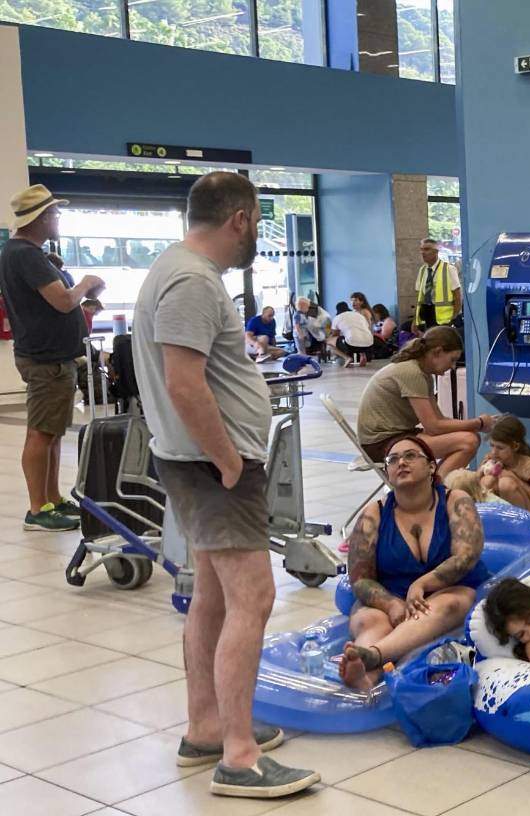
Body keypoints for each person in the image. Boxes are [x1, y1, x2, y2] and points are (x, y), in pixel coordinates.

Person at [131, 172, 318, 798]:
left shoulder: (178, 271)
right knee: (254, 600)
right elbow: (184, 383)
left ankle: (207, 726)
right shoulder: (190, 280)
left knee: (211, 596)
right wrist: (229, 460)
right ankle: (238, 757)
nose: (256, 233)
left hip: (199, 465)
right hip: (213, 468)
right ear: (238, 217)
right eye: (258, 219)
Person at [339, 435, 488, 690]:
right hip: (391, 594)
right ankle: (361, 670)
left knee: (447, 605)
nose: (401, 463)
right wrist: (391, 603)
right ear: (387, 472)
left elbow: (467, 556)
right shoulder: (374, 514)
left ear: (431, 467)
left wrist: (421, 584)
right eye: (393, 459)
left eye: (410, 456)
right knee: (371, 621)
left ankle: (373, 657)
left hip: (447, 590)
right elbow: (360, 578)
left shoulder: (456, 500)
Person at [1, 185, 103, 532]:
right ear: (42, 218)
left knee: (53, 432)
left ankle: (53, 499)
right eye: (55, 214)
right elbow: (62, 301)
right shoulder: (25, 254)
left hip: (53, 356)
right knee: (41, 434)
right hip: (46, 360)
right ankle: (37, 509)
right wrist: (86, 284)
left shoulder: (23, 253)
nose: (58, 219)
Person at [357, 326, 494, 473]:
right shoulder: (412, 372)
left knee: (470, 437)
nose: (453, 366)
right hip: (379, 445)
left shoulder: (423, 373)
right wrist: (478, 423)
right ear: (437, 352)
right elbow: (433, 427)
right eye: (452, 359)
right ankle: (434, 489)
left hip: (394, 436)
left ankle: (434, 486)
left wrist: (478, 424)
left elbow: (439, 420)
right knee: (469, 441)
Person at [479, 416, 530, 520]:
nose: (494, 452)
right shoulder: (491, 460)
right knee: (486, 481)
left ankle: (522, 527)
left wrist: (516, 480)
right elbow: (474, 488)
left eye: (500, 448)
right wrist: (481, 470)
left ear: (515, 446)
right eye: (492, 445)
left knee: (506, 484)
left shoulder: (528, 464)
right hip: (505, 513)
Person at [414, 238, 462, 330]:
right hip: (426, 314)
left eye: (427, 249)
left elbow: (457, 296)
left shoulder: (449, 269)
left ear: (436, 252)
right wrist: (415, 321)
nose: (423, 252)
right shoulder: (422, 270)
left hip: (444, 319)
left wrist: (454, 316)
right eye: (422, 249)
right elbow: (419, 297)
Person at [329, 301, 375, 367]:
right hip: (369, 344)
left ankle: (347, 358)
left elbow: (335, 335)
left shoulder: (337, 318)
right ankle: (363, 356)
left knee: (329, 341)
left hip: (352, 345)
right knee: (359, 336)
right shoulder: (358, 315)